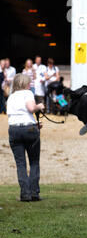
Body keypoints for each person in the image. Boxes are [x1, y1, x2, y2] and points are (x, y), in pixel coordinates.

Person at [7, 73, 45, 202]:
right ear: (24, 83)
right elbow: (31, 108)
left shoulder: (11, 97)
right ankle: (34, 193)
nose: (30, 85)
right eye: (29, 82)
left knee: (20, 164)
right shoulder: (27, 93)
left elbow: (16, 115)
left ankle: (25, 194)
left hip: (14, 129)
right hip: (29, 129)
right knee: (34, 161)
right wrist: (39, 106)